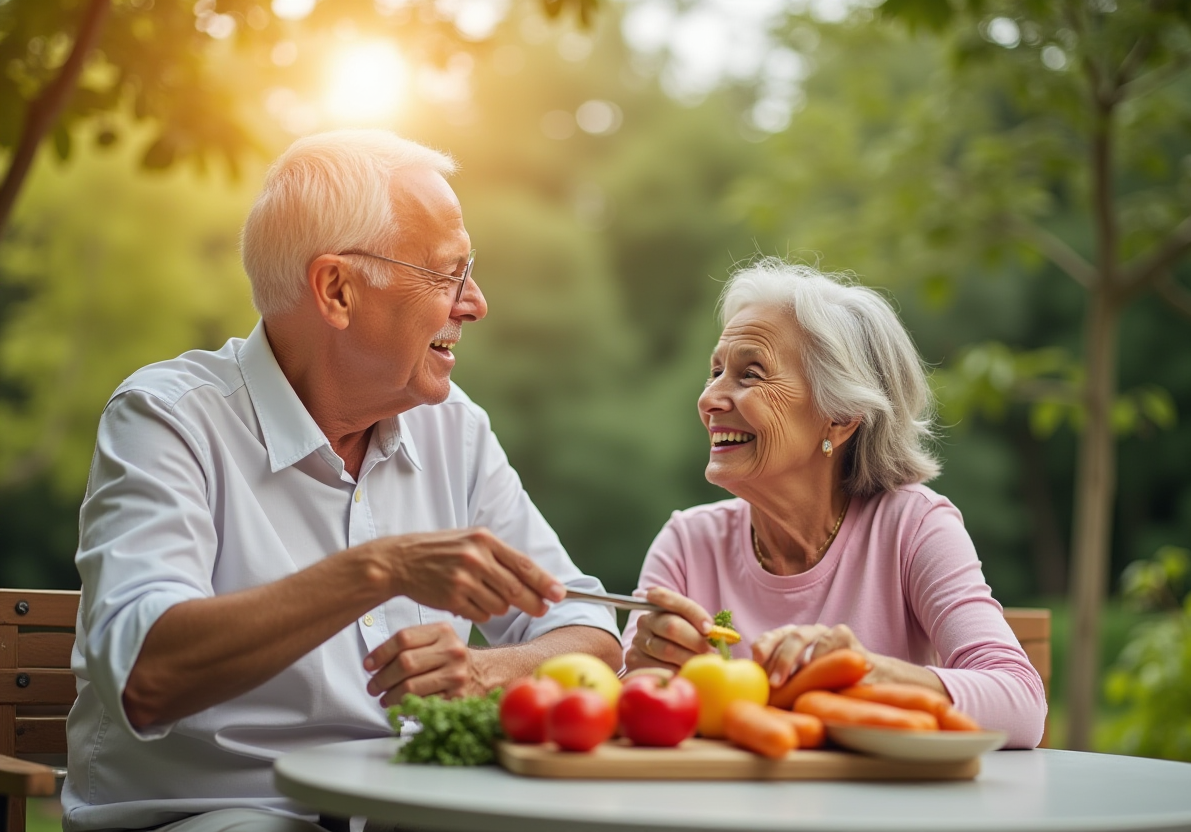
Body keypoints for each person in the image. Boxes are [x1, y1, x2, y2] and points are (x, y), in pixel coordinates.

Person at [62, 130, 621, 832]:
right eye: (448, 274)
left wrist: (489, 672)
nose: (475, 303)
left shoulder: (455, 429)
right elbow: (147, 675)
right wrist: (377, 570)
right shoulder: (167, 418)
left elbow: (589, 631)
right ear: (337, 290)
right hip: (216, 815)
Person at [622, 257, 1046, 748]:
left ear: (840, 417)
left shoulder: (912, 526)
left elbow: (1021, 703)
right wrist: (643, 670)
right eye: (715, 371)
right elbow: (625, 707)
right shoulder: (687, 542)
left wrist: (866, 671)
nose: (709, 399)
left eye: (750, 374)